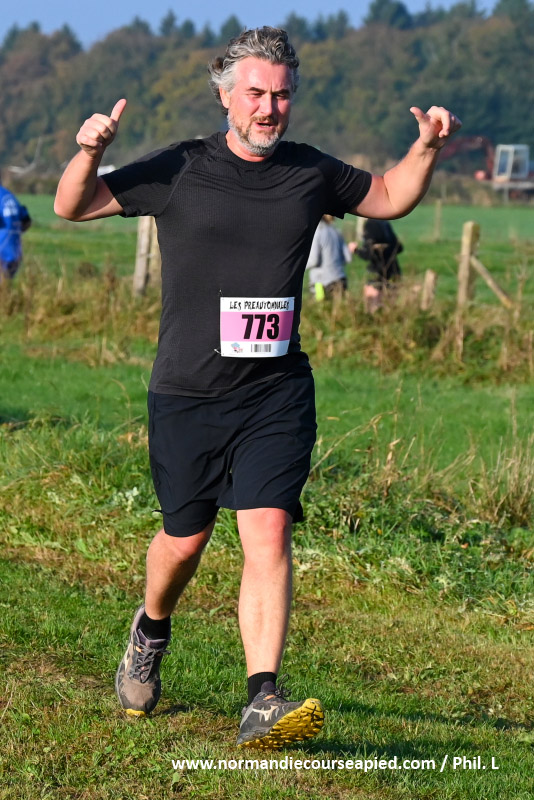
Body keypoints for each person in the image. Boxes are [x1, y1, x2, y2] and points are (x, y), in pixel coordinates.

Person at [54, 26, 461, 749]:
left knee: (268, 528)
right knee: (185, 541)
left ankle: (262, 700)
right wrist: (89, 152)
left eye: (282, 95)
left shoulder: (310, 171)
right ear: (225, 96)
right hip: (187, 391)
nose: (269, 108)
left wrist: (426, 146)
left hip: (275, 390)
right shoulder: (180, 166)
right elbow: (72, 207)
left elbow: (391, 196)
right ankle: (151, 629)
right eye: (256, 94)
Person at [356, 218, 403, 312]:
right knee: (389, 309)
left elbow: (369, 254)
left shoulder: (370, 225)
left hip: (377, 274)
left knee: (373, 309)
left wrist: (355, 250)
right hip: (394, 271)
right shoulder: (385, 223)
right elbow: (399, 247)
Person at [305, 214, 356, 300]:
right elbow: (348, 258)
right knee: (339, 308)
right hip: (341, 280)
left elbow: (314, 261)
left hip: (322, 284)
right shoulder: (337, 232)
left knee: (321, 307)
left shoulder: (317, 232)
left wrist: (297, 265)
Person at [0, 179, 31, 280]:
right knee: (6, 285)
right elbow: (27, 221)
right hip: (15, 252)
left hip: (1, 251)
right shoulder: (9, 196)